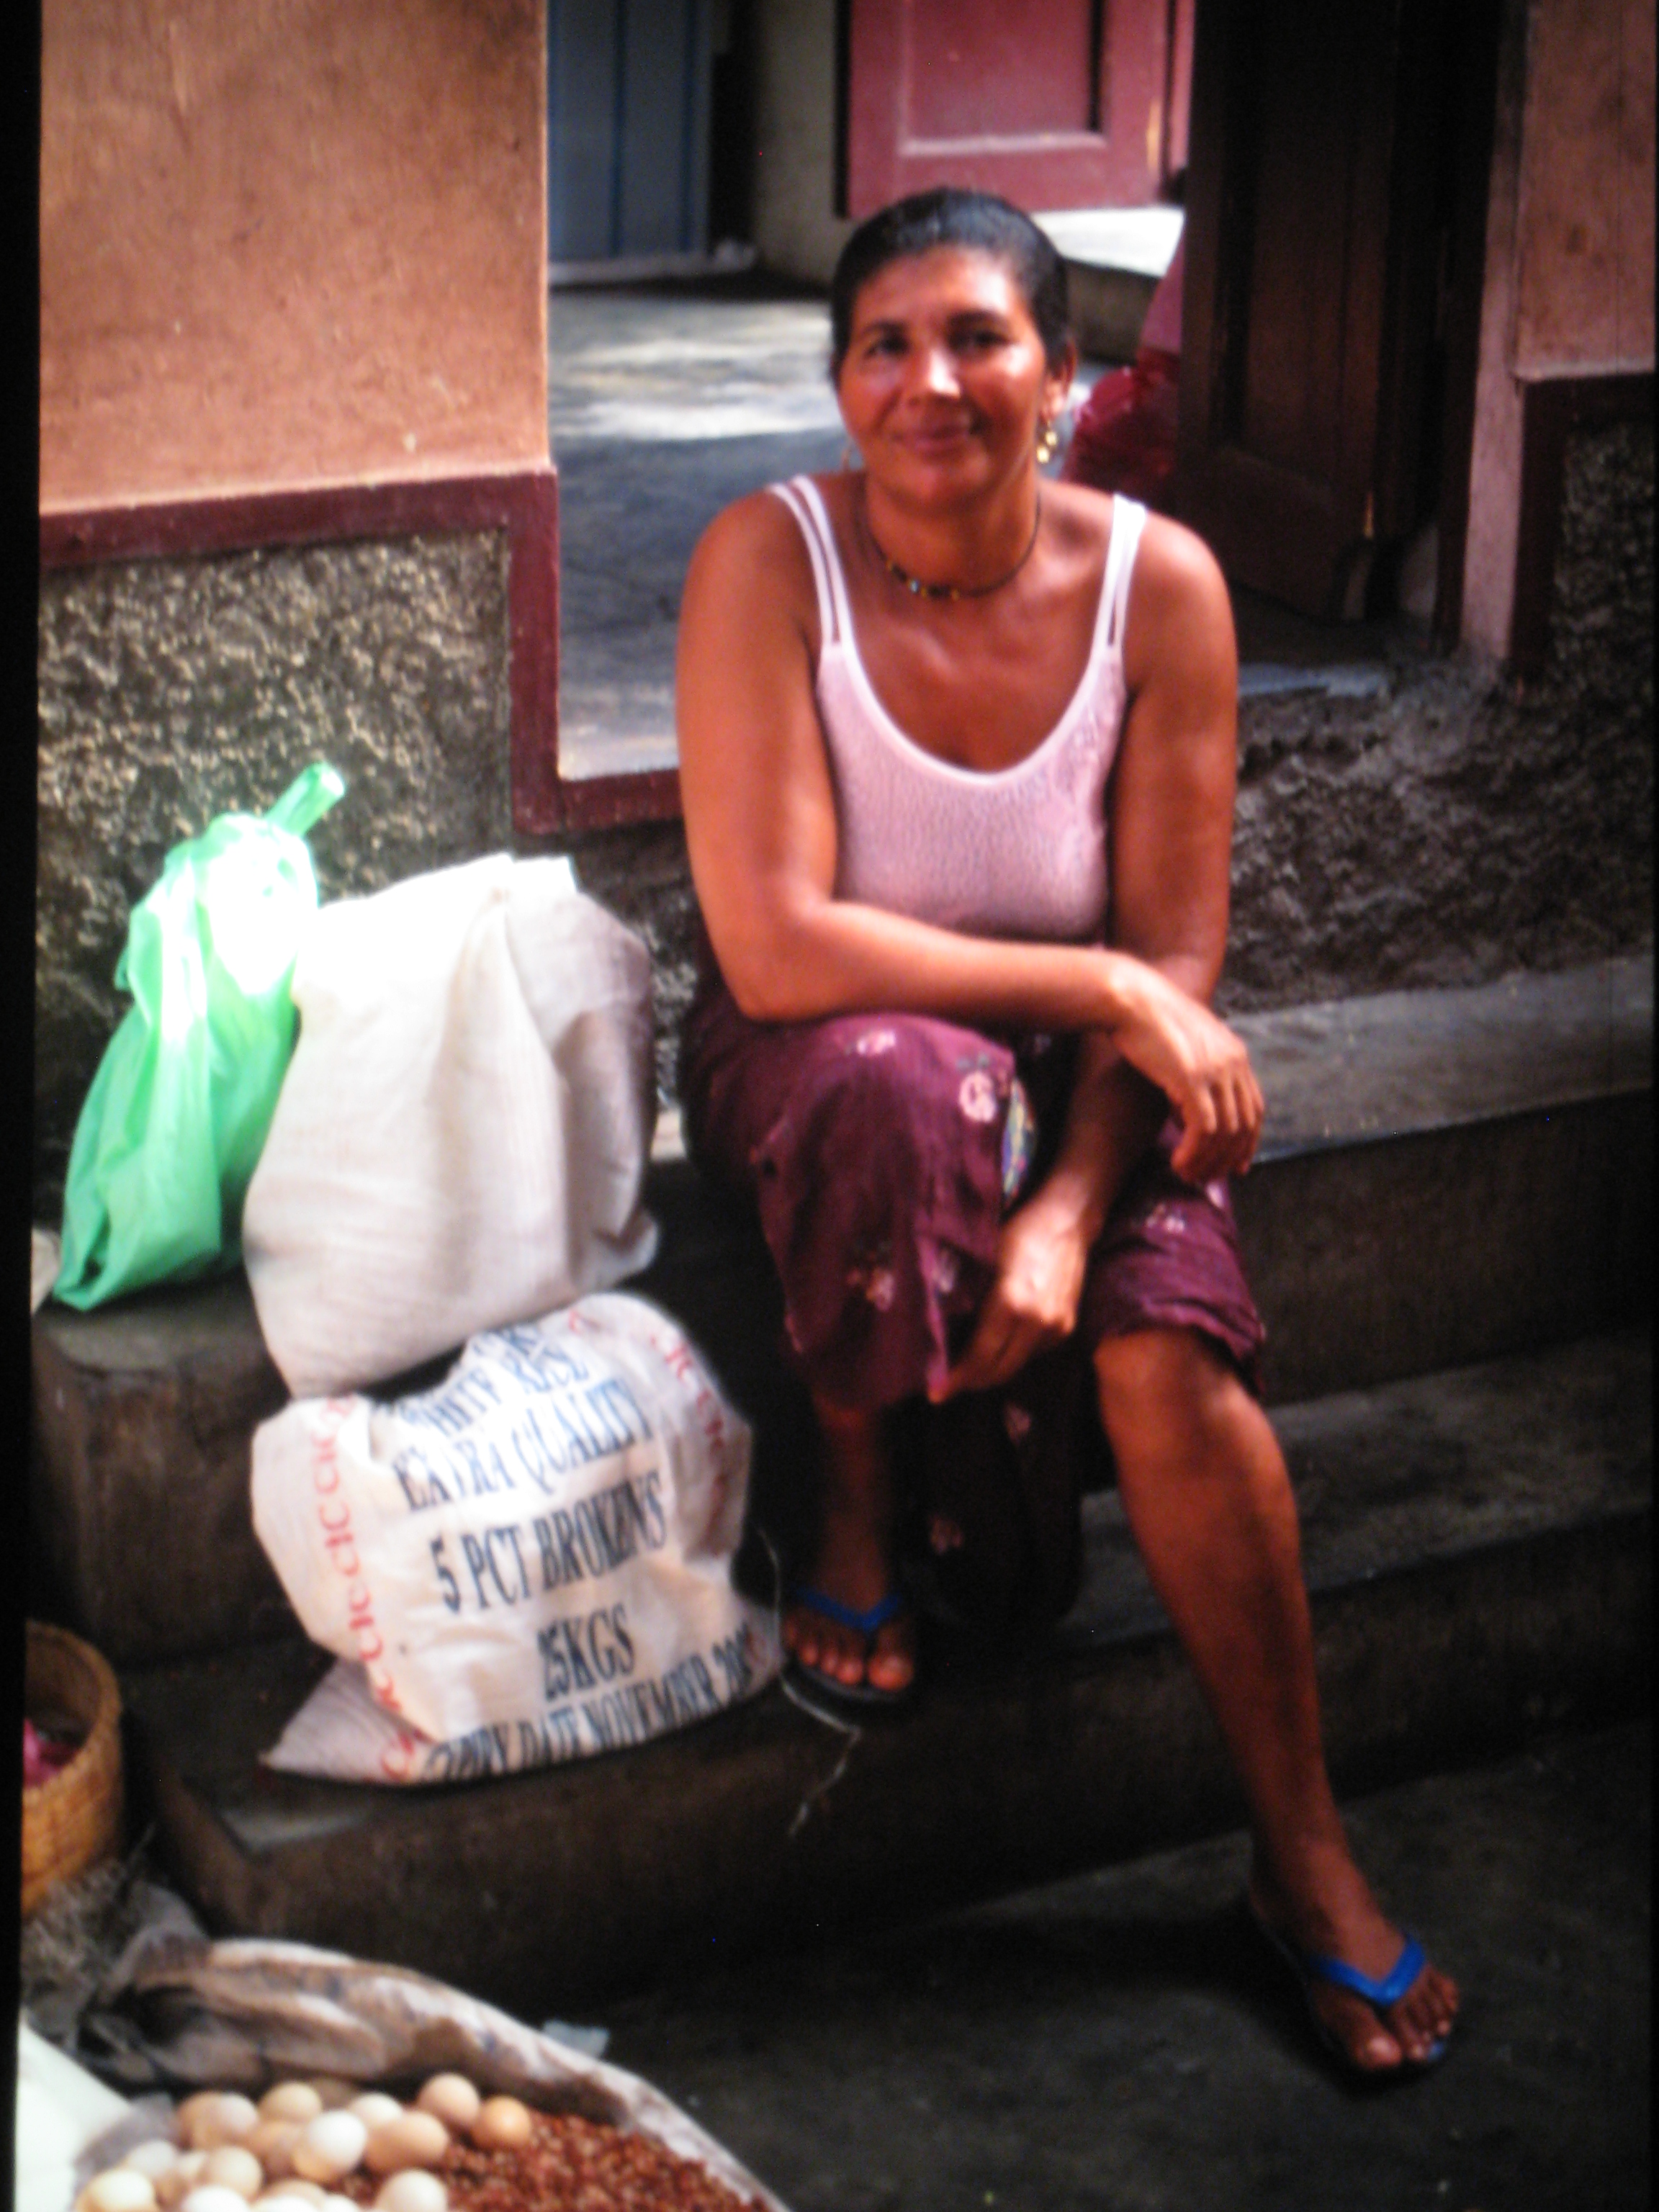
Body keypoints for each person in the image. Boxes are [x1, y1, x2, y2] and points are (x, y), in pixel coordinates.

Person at [673, 186, 1457, 2079]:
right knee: (894, 1080)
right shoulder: (769, 560)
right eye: (884, 345)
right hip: (819, 1056)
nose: (929, 382)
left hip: (1077, 1080)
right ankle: (857, 1500)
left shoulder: (1158, 588)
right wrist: (1103, 984)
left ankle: (1302, 1857)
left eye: (978, 337)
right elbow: (777, 947)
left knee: (1167, 1357)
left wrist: (1069, 1203)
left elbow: (1174, 956)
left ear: (1064, 374)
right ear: (841, 386)